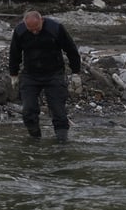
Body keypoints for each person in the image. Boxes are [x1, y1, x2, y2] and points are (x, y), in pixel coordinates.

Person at [9, 10, 82, 142]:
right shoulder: (20, 31)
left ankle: (61, 142)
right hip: (30, 75)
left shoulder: (55, 29)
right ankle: (34, 139)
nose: (34, 32)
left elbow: (71, 50)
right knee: (28, 110)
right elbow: (14, 53)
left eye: (36, 29)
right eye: (30, 30)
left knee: (58, 110)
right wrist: (13, 74)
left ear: (41, 20)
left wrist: (76, 73)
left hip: (54, 74)